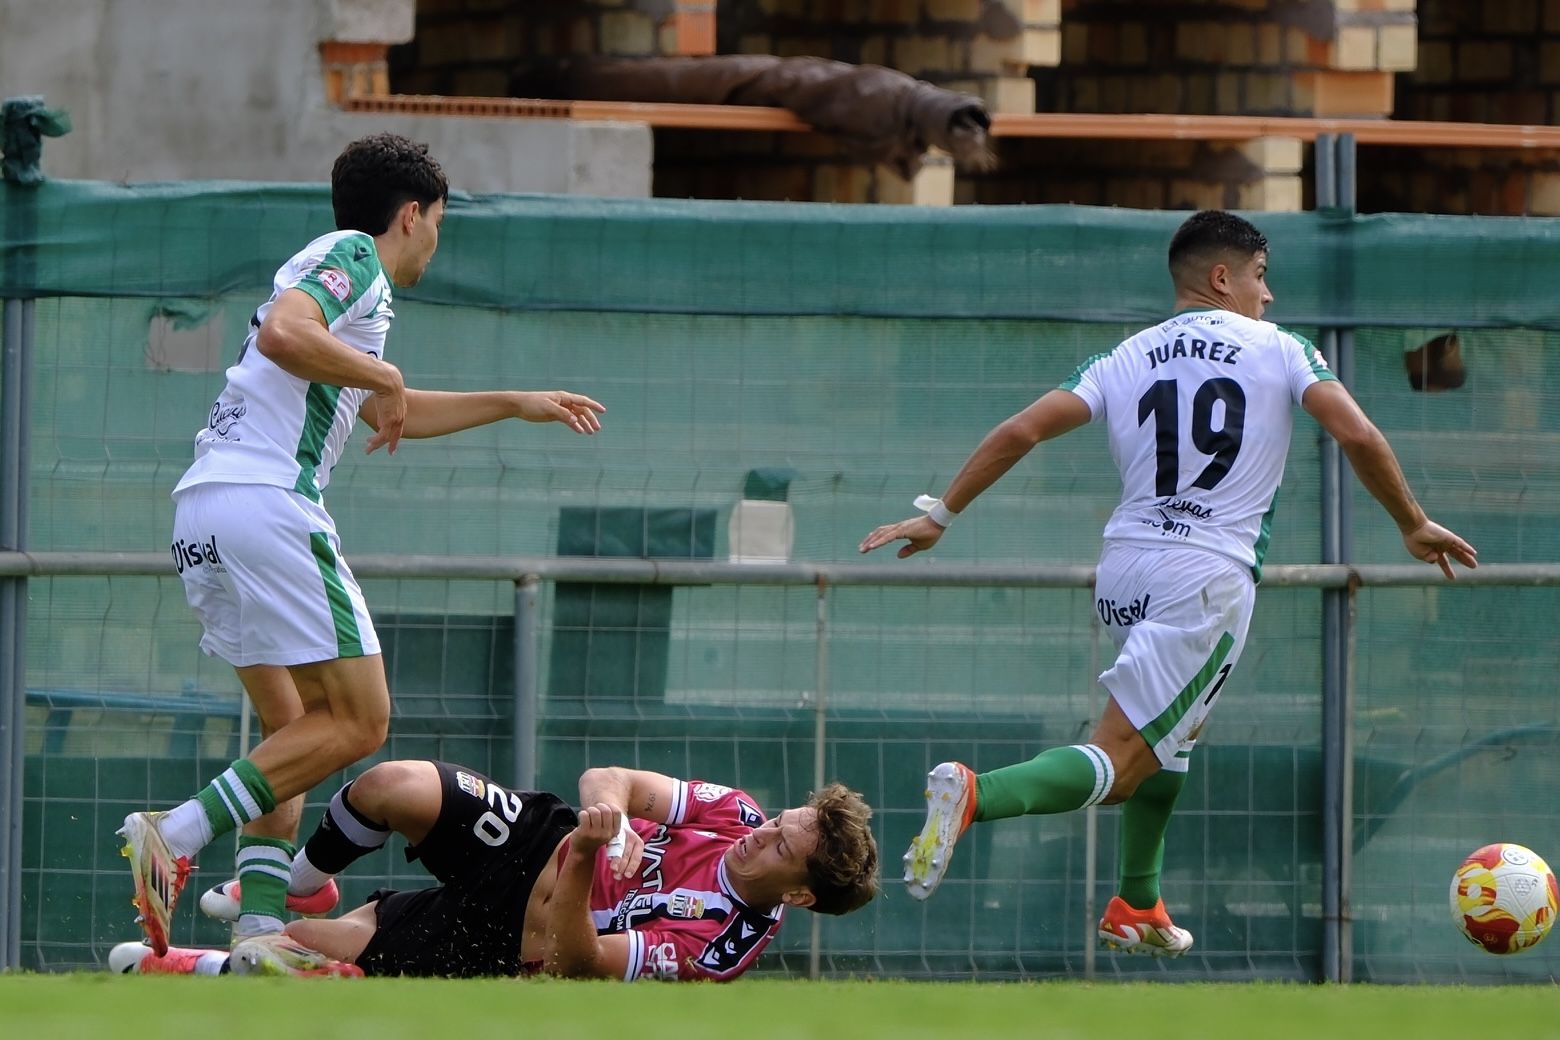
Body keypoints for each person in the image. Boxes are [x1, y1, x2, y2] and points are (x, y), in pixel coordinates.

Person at [858, 209, 1478, 957]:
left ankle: (1137, 901)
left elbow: (1024, 428)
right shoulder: (1284, 351)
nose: (1269, 295)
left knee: (1173, 736)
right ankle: (975, 795)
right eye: (1260, 276)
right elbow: (1357, 433)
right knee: (1121, 762)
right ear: (1223, 277)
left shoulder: (1125, 356)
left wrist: (941, 514)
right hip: (1207, 574)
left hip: (1125, 568)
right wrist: (1411, 522)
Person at [119, 132, 609, 956]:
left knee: (296, 742)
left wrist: (513, 401)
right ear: (411, 215)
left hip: (205, 512)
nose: (436, 243)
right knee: (361, 720)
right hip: (267, 505)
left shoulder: (346, 307)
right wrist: (383, 381)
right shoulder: (354, 258)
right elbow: (283, 332)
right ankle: (175, 831)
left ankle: (263, 934)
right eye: (441, 223)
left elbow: (385, 402)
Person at [110, 758, 879, 981]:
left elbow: (579, 963)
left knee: (290, 951)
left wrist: (586, 860)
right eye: (782, 821)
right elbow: (610, 779)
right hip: (532, 837)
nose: (761, 835)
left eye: (781, 846)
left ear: (802, 894)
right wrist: (605, 823)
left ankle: (186, 965)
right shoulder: (735, 813)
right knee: (387, 786)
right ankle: (302, 874)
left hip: (517, 941)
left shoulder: (720, 946)